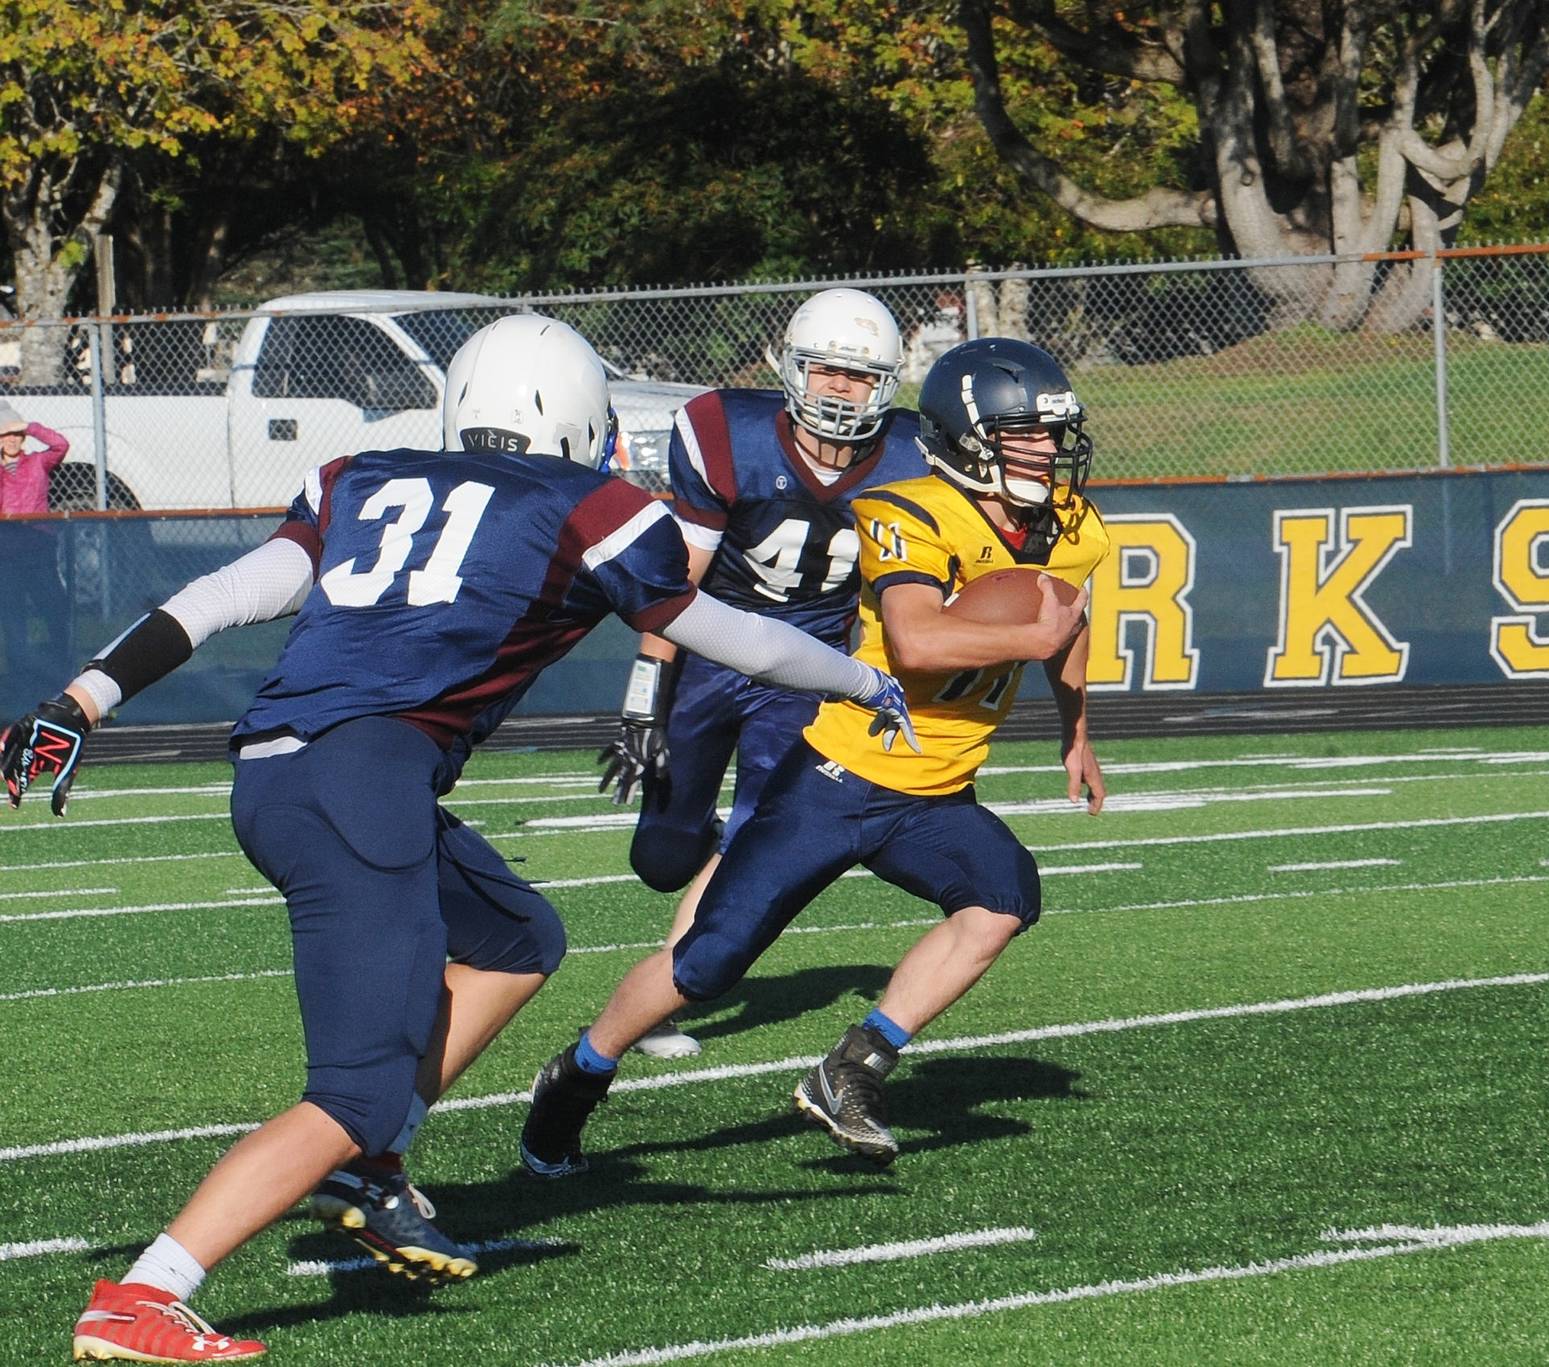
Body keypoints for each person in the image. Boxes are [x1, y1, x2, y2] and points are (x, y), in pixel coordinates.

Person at [2, 315, 910, 1363]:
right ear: (578, 419)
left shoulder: (361, 475)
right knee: (348, 1090)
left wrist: (85, 695)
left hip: (286, 770)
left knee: (516, 936)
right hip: (363, 779)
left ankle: (373, 1160)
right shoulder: (591, 501)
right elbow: (732, 632)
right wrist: (860, 678)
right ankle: (150, 1291)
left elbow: (226, 595)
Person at [520, 336, 1106, 1175]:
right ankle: (579, 1073)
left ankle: (856, 1062)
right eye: (1025, 434)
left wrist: (1075, 728)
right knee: (706, 964)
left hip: (935, 795)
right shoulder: (906, 510)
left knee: (1004, 896)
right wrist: (1034, 630)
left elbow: (1069, 626)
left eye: (1052, 434)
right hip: (836, 780)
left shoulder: (1074, 525)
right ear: (968, 437)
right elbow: (914, 637)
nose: (1045, 451)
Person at [596, 287, 928, 1060]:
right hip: (715, 647)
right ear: (790, 369)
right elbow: (678, 584)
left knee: (757, 832)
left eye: (858, 375)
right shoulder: (726, 432)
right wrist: (643, 699)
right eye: (824, 370)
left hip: (811, 665)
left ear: (887, 384)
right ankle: (700, 846)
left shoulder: (916, 457)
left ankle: (662, 996)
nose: (839, 389)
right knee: (662, 856)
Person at [0, 400, 74, 681]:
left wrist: (29, 427)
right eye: (5, 435)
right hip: (6, 553)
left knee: (53, 607)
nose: (11, 440)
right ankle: (19, 672)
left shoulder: (37, 463)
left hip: (38, 549)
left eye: (16, 434)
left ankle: (60, 665)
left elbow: (60, 445)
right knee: (12, 614)